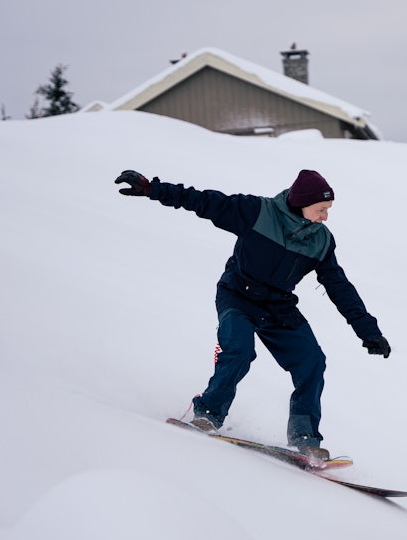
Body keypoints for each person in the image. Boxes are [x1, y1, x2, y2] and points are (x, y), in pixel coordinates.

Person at [115, 168, 390, 460]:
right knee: (239, 350)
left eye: (328, 210)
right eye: (321, 209)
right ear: (301, 203)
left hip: (278, 308)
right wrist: (151, 189)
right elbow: (204, 201)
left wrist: (369, 332)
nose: (325, 217)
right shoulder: (256, 212)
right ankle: (208, 414)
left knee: (312, 362)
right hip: (238, 296)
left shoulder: (321, 241)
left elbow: (340, 288)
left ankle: (305, 438)